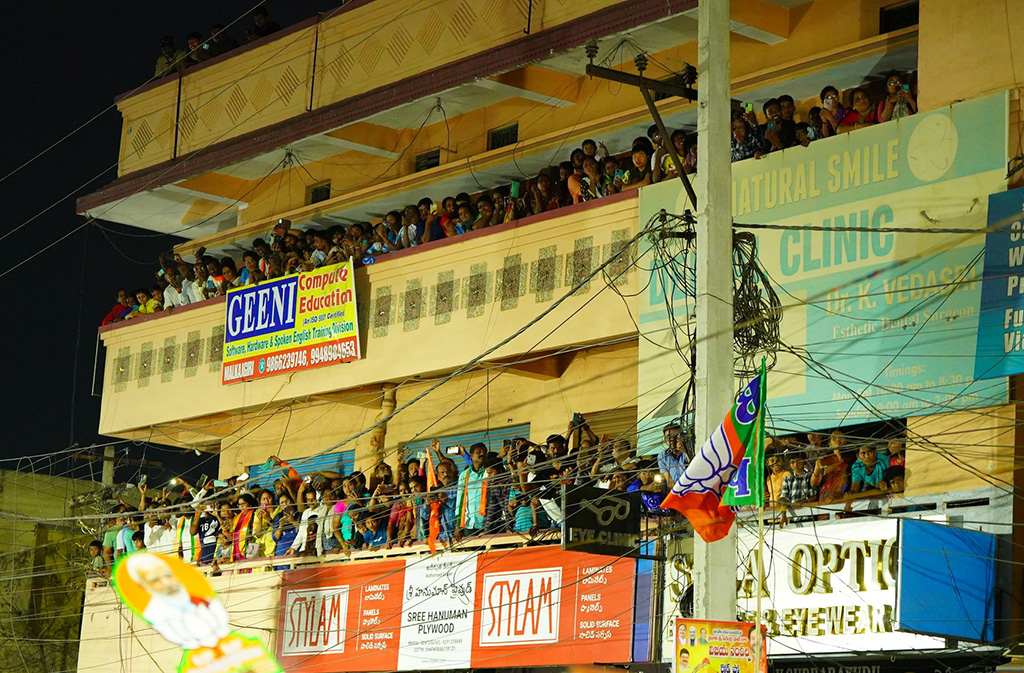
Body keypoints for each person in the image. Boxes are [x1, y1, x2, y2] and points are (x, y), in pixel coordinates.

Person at [123, 553, 231, 650]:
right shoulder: (156, 616)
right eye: (155, 580)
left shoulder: (202, 599)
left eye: (167, 575)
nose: (166, 582)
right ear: (143, 586)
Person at [455, 443, 488, 538]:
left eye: (484, 452)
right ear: (471, 456)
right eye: (478, 452)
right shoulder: (464, 475)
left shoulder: (489, 473)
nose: (482, 454)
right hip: (468, 523)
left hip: (485, 522)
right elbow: (459, 502)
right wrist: (458, 525)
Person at [810, 430, 849, 502]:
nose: (837, 440)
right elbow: (814, 484)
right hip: (825, 500)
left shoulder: (850, 460)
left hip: (842, 499)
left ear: (845, 442)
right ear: (830, 444)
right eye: (834, 438)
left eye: (840, 438)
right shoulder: (825, 461)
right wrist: (817, 469)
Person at [658, 422, 689, 486]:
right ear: (664, 439)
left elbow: (693, 466)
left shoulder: (687, 450)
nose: (671, 439)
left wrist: (685, 451)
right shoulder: (662, 456)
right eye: (668, 437)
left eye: (674, 436)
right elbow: (669, 482)